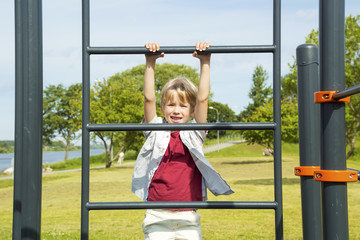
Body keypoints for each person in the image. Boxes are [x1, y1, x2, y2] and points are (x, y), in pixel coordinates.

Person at [131, 42, 234, 240]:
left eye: (183, 106)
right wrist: (150, 63)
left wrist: (205, 62)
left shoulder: (194, 132)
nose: (176, 110)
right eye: (170, 105)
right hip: (157, 214)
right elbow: (148, 99)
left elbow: (203, 99)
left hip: (188, 216)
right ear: (163, 109)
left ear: (192, 111)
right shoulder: (155, 131)